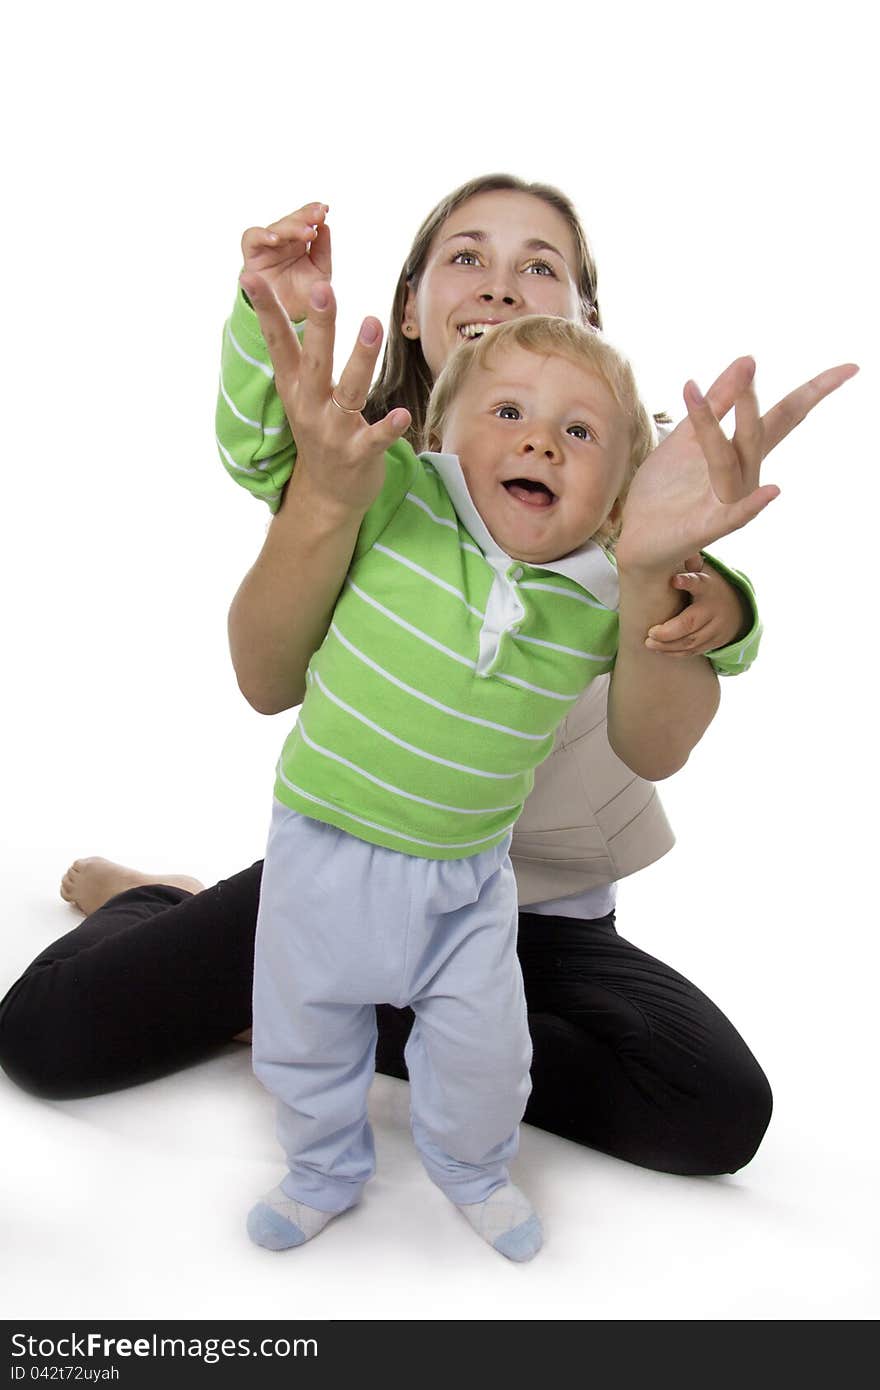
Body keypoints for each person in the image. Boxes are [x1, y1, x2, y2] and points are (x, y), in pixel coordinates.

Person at [0, 175, 851, 1188]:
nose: (500, 282)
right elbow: (264, 631)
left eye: (541, 265)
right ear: (410, 307)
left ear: (587, 323)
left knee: (712, 1110)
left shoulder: (636, 489)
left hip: (541, 914)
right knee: (49, 1038)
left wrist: (678, 587)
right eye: (466, 256)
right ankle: (163, 905)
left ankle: (340, 1008)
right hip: (356, 882)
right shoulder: (376, 472)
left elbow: (665, 721)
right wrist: (283, 352)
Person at [244, 315, 667, 1262]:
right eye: (509, 411)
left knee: (486, 1058)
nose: (540, 441)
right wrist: (258, 316)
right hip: (324, 848)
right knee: (302, 1039)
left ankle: (474, 1168)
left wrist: (719, 599)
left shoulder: (602, 591)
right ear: (438, 436)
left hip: (468, 886)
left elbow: (703, 638)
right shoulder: (397, 495)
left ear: (613, 499)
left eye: (581, 433)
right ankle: (320, 1170)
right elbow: (266, 446)